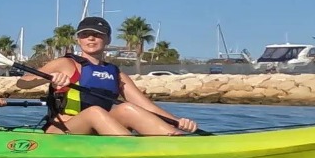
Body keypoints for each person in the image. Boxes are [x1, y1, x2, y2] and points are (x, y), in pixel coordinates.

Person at [23, 16, 198, 136]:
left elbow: (145, 106)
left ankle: (174, 139)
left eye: (97, 35)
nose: (91, 39)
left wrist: (176, 121)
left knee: (126, 108)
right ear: (78, 40)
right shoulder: (65, 63)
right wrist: (49, 77)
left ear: (107, 39)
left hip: (99, 130)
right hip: (62, 129)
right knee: (95, 112)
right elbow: (22, 83)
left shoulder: (115, 73)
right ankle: (133, 151)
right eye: (85, 35)